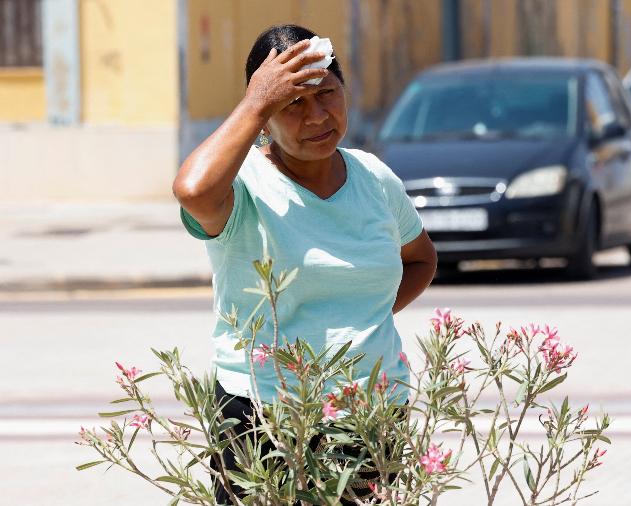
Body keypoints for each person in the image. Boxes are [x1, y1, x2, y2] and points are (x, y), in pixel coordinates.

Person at [172, 23, 437, 504]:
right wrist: (255, 103)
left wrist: (357, 319)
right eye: (292, 103)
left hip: (369, 415)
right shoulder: (242, 187)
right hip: (263, 414)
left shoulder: (374, 178)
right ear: (264, 117)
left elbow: (420, 259)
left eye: (327, 94)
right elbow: (192, 190)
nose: (317, 115)